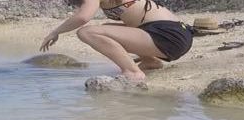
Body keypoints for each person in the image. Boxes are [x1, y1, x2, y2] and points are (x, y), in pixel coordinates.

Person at [40, 0, 194, 82]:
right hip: (176, 34)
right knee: (107, 28)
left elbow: (83, 17)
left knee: (86, 32)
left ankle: (133, 72)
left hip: (168, 35)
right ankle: (150, 61)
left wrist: (55, 32)